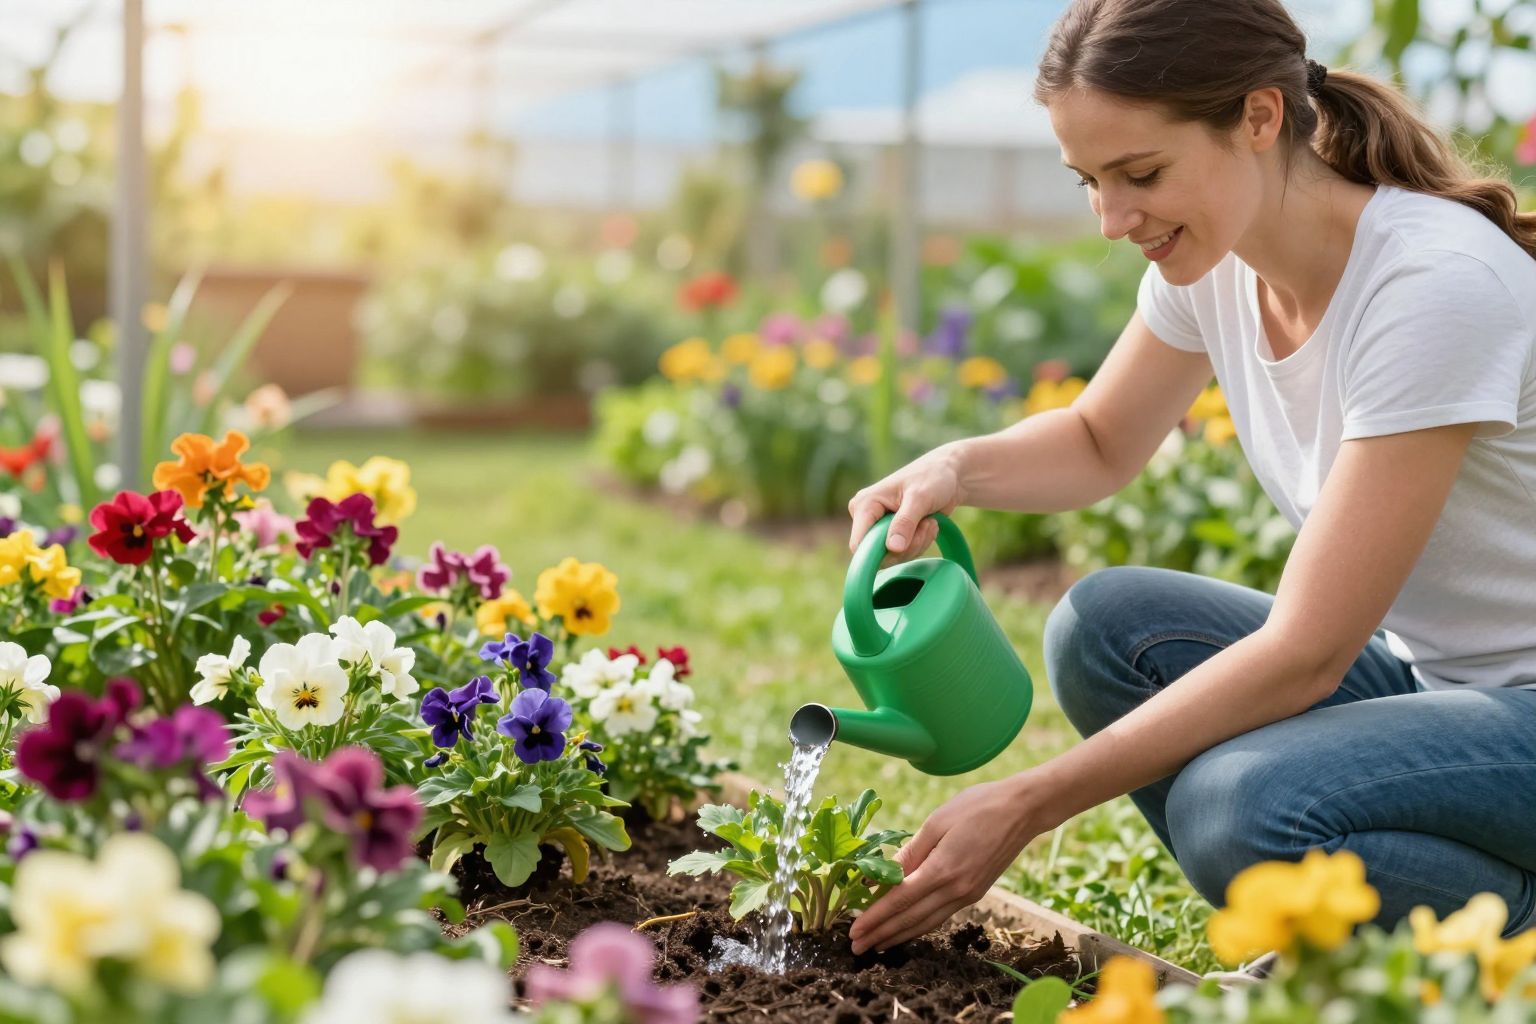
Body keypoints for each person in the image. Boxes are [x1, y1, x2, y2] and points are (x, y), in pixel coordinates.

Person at [845, 0, 1536, 959]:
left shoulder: (1432, 285)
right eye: (1090, 180)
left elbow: (1308, 653)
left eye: (1142, 173)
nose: (1113, 220)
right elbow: (1098, 441)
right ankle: (1328, 928)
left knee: (1237, 808)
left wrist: (1030, 803)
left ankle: (1493, 936)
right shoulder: (1211, 263)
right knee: (1104, 630)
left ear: (1258, 118)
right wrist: (953, 469)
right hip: (1444, 682)